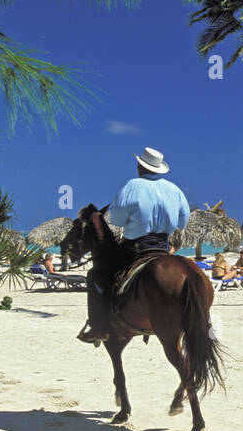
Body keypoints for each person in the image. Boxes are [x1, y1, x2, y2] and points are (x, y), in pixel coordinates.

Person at [77, 146, 191, 344]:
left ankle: (99, 327)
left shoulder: (131, 186)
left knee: (95, 275)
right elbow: (183, 222)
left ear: (140, 166)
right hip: (163, 246)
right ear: (158, 168)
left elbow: (118, 220)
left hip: (137, 247)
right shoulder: (175, 189)